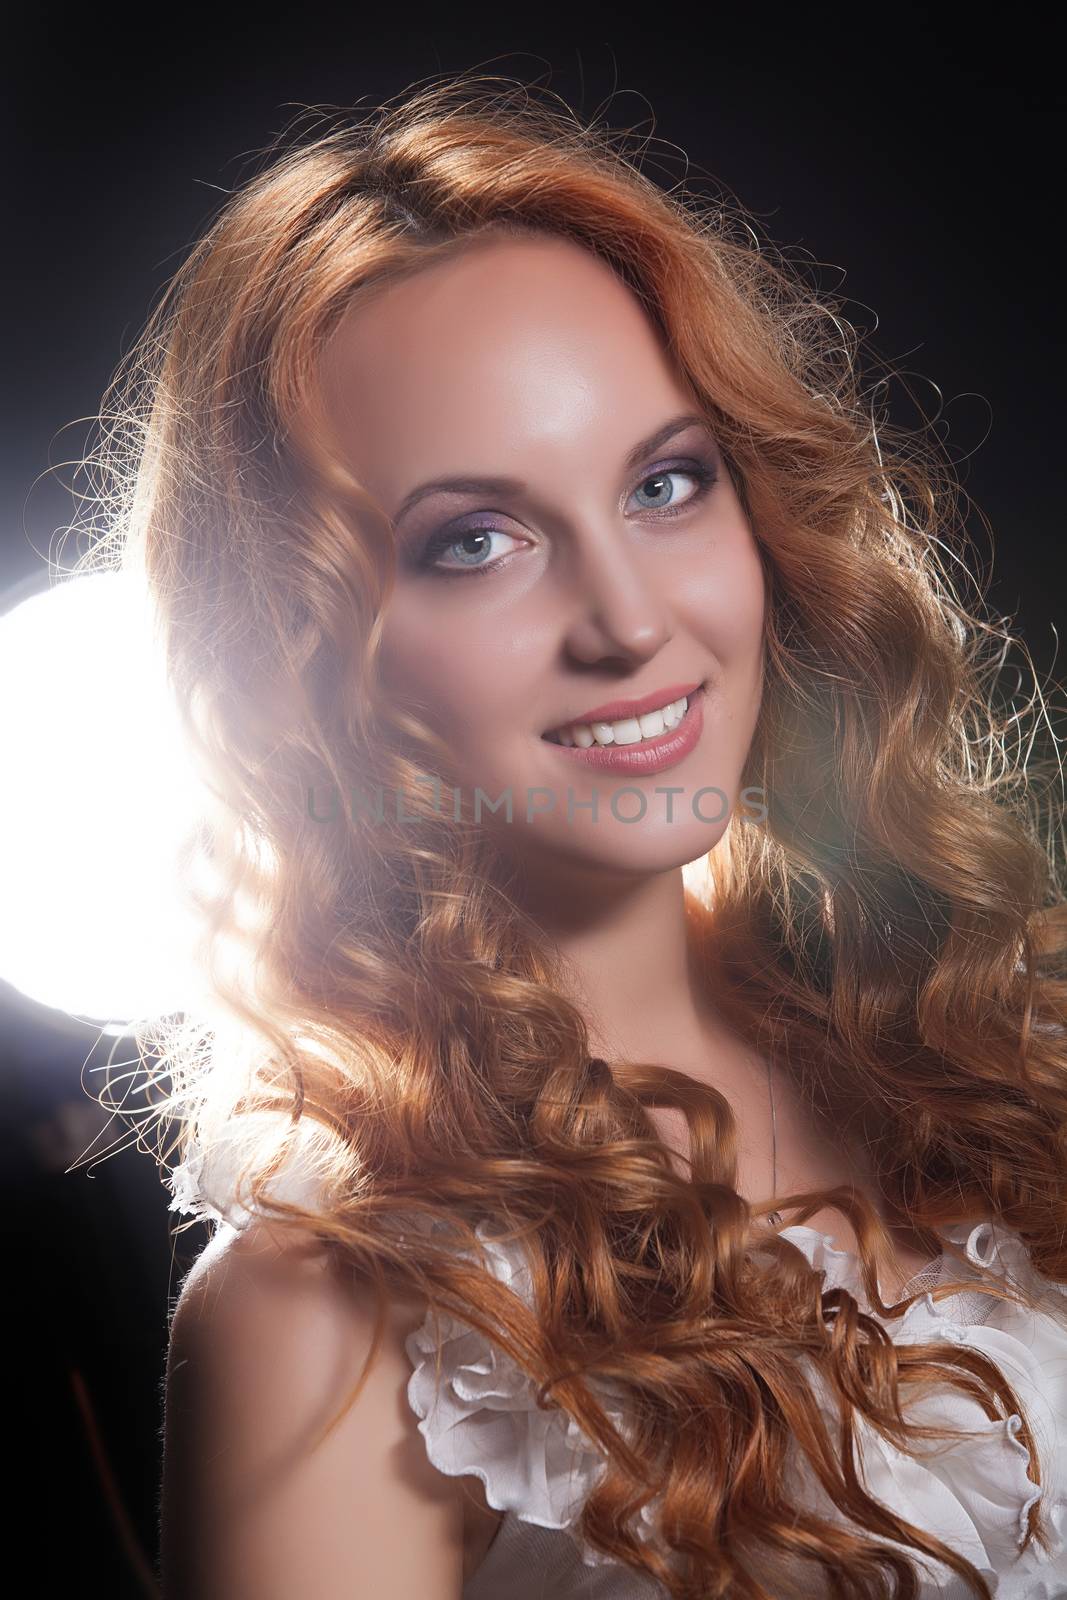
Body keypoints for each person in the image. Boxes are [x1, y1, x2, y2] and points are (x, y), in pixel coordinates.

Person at [81, 73, 1067, 1599]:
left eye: (667, 484)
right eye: (477, 542)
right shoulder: (334, 1317)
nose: (629, 621)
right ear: (296, 654)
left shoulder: (987, 1054)